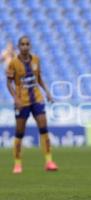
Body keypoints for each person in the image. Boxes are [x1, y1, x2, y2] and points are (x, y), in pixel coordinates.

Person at [6, 36, 58, 174]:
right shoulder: (13, 63)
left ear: (30, 46)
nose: (25, 46)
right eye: (22, 44)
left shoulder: (36, 60)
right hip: (22, 102)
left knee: (44, 129)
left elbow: (39, 78)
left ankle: (49, 161)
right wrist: (15, 98)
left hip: (37, 99)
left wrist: (47, 93)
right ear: (18, 46)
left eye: (27, 44)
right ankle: (17, 164)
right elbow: (8, 83)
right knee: (19, 133)